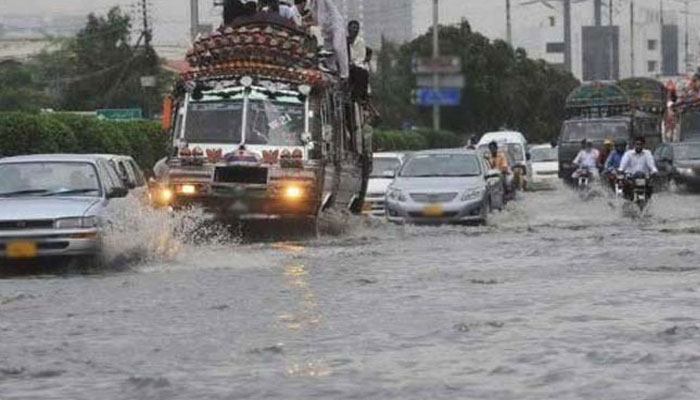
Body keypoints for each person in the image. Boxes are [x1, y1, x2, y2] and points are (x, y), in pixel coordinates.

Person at [347, 20, 369, 101]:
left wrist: (353, 64)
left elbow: (361, 57)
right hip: (345, 66)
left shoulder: (360, 42)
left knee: (361, 73)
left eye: (356, 28)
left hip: (357, 66)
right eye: (353, 28)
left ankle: (359, 96)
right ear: (348, 29)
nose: (355, 30)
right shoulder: (344, 41)